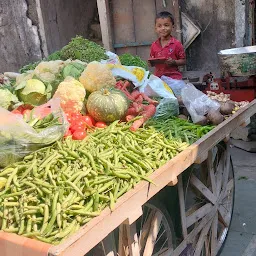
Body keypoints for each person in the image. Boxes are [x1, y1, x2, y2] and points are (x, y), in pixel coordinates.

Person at [149, 11, 186, 80]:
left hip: (173, 78)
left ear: (173, 26)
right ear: (156, 28)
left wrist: (174, 62)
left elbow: (183, 61)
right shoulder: (154, 45)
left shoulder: (176, 44)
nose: (163, 28)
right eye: (159, 26)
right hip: (158, 78)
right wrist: (150, 63)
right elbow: (152, 60)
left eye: (166, 25)